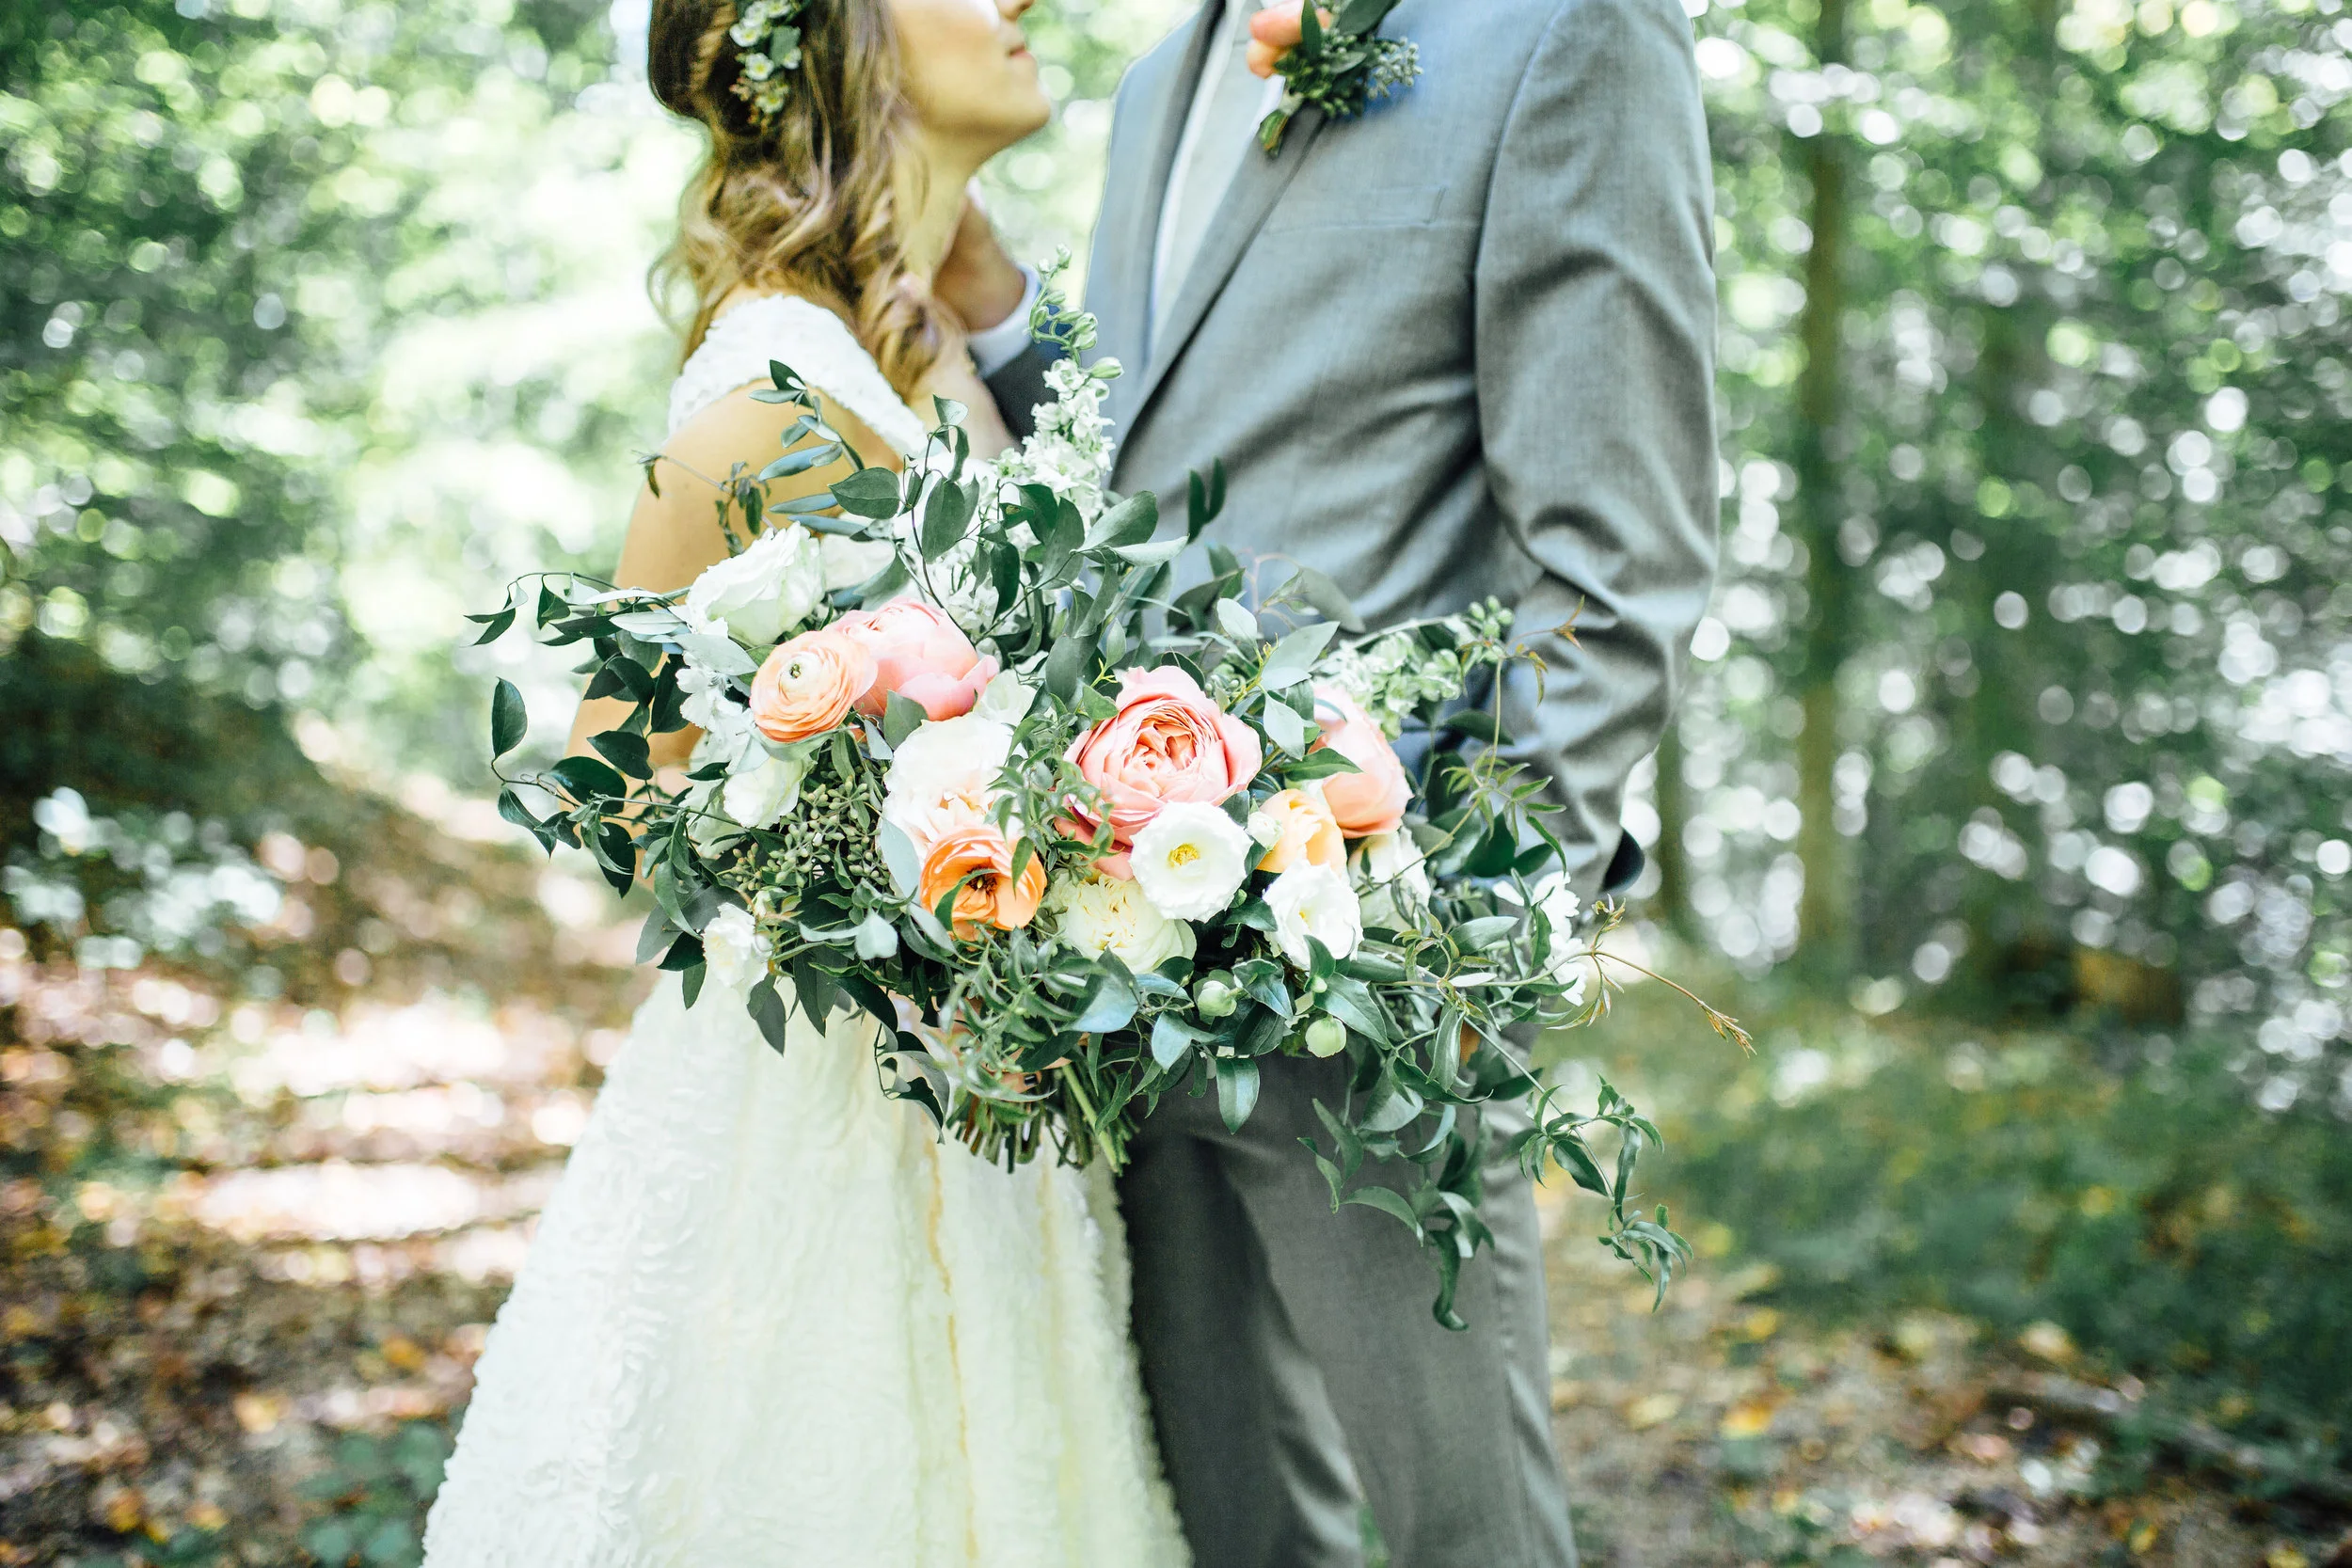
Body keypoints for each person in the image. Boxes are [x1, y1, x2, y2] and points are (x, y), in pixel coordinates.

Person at [418, 2, 1188, 1561]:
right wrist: (863, 871)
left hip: (990, 1108)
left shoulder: (920, 351)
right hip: (831, 1121)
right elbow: (616, 779)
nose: (1018, 4)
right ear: (847, 40)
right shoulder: (765, 400)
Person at [960, 1, 1722, 1562]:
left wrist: (1479, 940)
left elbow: (1617, 550)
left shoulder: (1568, 33)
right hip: (1121, 949)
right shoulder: (1161, 77)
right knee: (1232, 1521)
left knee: (1468, 1528)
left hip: (1378, 966)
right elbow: (1142, 470)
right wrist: (990, 312)